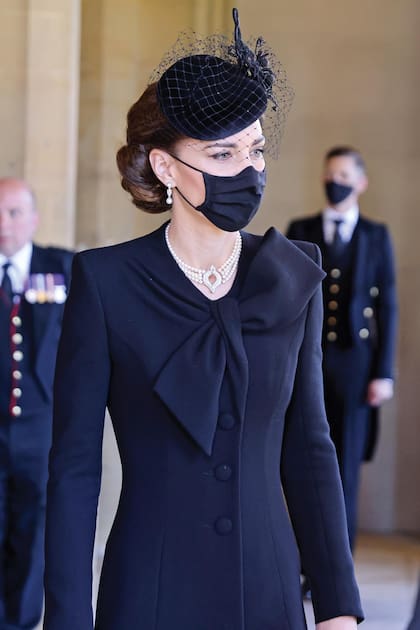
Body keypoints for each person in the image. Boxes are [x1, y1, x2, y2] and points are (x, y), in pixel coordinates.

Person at [43, 10, 363, 630]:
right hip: (150, 593)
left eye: (255, 150)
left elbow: (310, 450)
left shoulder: (291, 274)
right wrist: (68, 619)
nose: (247, 170)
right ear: (165, 167)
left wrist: (339, 607)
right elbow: (75, 470)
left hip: (268, 591)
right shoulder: (106, 283)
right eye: (222, 153)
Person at [286, 146, 398, 556]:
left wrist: (383, 373)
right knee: (304, 461)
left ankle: (338, 563)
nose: (336, 183)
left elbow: (387, 305)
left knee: (346, 466)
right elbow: (286, 300)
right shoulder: (300, 228)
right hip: (307, 361)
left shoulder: (375, 235)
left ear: (361, 183)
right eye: (330, 175)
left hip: (356, 364)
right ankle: (304, 560)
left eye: (345, 176)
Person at [0, 177, 73, 630]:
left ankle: (20, 622)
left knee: (34, 529)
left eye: (13, 212)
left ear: (33, 218)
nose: (3, 224)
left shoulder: (61, 267)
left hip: (40, 427)